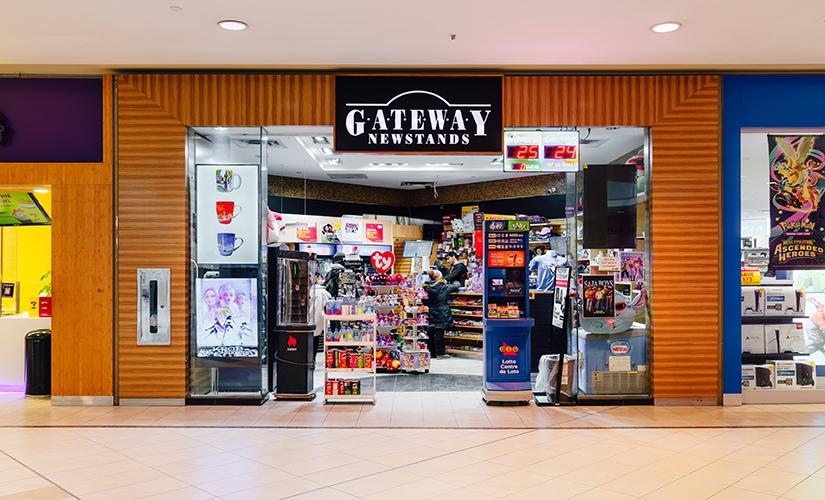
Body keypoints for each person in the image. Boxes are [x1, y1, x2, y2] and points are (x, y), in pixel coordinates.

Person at [423, 269, 460, 359]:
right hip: (441, 311)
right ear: (440, 277)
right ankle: (440, 353)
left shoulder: (426, 287)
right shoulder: (443, 286)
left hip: (430, 311)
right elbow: (456, 287)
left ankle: (431, 352)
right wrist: (456, 282)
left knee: (431, 331)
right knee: (439, 331)